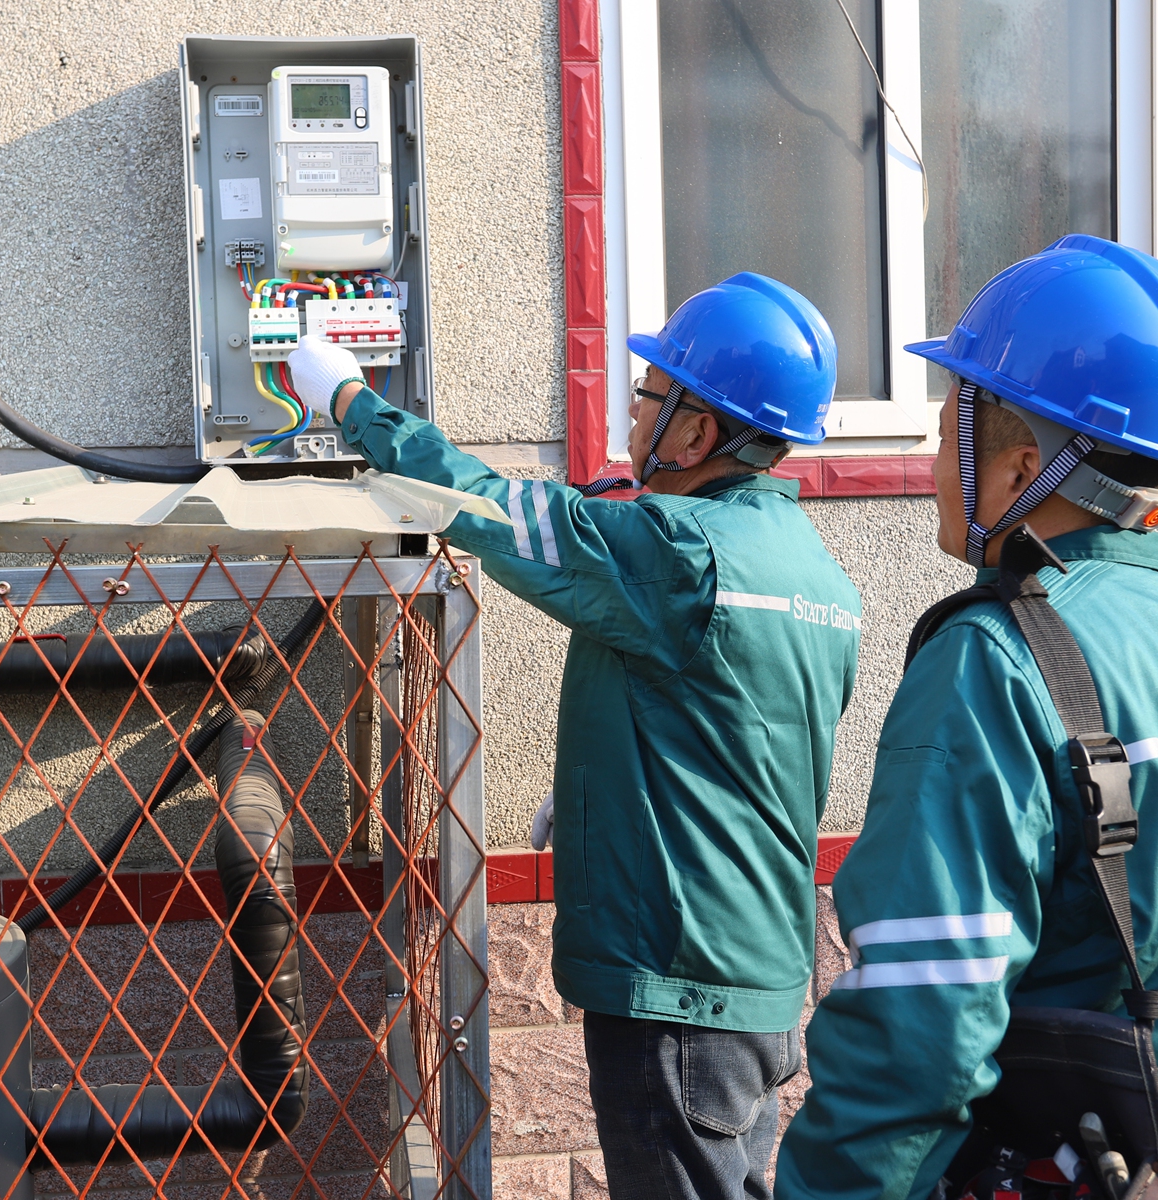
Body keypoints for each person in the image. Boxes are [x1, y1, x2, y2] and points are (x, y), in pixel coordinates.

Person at [774, 235, 1158, 1200]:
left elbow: (918, 1026)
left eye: (953, 419)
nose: (933, 457)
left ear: (1025, 464)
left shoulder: (993, 663)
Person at [288, 273, 861, 1200]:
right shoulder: (816, 572)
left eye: (650, 395)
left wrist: (347, 398)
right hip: (762, 984)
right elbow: (733, 742)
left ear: (695, 430)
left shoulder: (672, 551)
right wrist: (603, 782)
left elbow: (481, 505)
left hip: (676, 990)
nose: (633, 415)